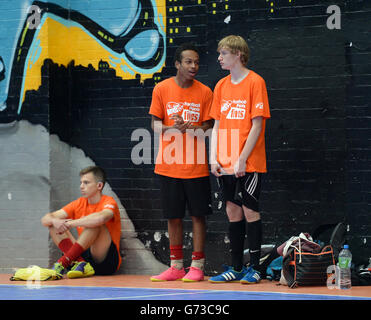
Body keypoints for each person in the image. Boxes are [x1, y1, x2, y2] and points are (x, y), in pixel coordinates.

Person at [208, 35, 271, 284]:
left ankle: (255, 268)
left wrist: (242, 159)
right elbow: (217, 125)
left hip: (248, 161)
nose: (219, 57)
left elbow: (257, 125)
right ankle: (235, 267)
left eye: (223, 53)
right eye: (219, 53)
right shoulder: (221, 86)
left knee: (249, 210)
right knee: (232, 211)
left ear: (238, 54)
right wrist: (214, 158)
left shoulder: (256, 82)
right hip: (224, 161)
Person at [149, 42, 213, 282]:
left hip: (196, 166)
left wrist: (193, 127)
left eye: (196, 62)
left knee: (198, 216)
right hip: (168, 165)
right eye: (188, 61)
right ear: (177, 64)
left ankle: (197, 266)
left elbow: (210, 126)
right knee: (173, 216)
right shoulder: (162, 89)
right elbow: (154, 125)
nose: (193, 66)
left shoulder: (205, 92)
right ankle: (176, 266)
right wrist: (171, 127)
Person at [41, 166, 122, 278]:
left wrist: (70, 223)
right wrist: (55, 221)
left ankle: (63, 263)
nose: (81, 186)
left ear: (99, 185)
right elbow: (45, 219)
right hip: (83, 256)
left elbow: (101, 218)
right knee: (53, 224)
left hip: (105, 262)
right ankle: (80, 263)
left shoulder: (109, 201)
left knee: (95, 224)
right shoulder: (79, 203)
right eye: (81, 183)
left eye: (86, 183)